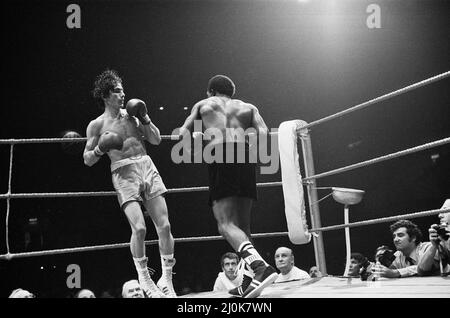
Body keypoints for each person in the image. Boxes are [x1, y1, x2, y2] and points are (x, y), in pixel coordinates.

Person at [179, 75, 277, 298]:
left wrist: (196, 138)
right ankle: (252, 280)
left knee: (225, 225)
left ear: (210, 91)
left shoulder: (205, 104)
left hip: (220, 154)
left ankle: (261, 268)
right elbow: (263, 134)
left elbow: (183, 132)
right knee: (242, 226)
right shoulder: (249, 107)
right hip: (245, 156)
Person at [83, 69, 176, 298]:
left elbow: (155, 139)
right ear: (105, 96)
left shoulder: (133, 114)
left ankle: (166, 279)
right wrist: (99, 148)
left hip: (146, 165)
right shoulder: (97, 125)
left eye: (122, 89)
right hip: (123, 172)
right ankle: (145, 280)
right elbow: (87, 159)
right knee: (140, 228)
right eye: (116, 91)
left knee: (164, 226)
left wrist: (145, 117)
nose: (122, 94)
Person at [417, 200, 450, 276]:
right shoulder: (444, 238)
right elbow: (422, 271)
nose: (439, 215)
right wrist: (434, 246)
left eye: (445, 210)